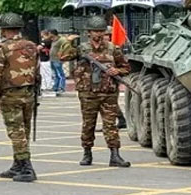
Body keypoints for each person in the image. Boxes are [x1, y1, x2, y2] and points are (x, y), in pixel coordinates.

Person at [59, 15, 131, 168]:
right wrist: (67, 41)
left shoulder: (113, 49)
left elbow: (126, 68)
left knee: (110, 125)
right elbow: (63, 56)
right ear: (89, 33)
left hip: (108, 93)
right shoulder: (82, 49)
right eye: (95, 31)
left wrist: (116, 70)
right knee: (88, 124)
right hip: (88, 93)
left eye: (101, 31)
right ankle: (87, 153)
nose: (98, 34)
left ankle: (115, 155)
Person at [0, 12, 40, 182]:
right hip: (28, 93)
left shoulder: (2, 49)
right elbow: (37, 72)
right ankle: (18, 164)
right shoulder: (31, 46)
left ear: (3, 30)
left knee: (16, 131)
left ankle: (26, 167)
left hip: (10, 94)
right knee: (24, 130)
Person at [48, 29, 66, 95]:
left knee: (60, 74)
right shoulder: (53, 41)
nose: (49, 35)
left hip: (57, 60)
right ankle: (55, 87)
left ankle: (61, 87)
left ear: (52, 34)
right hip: (52, 59)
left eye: (49, 33)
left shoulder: (60, 40)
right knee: (55, 74)